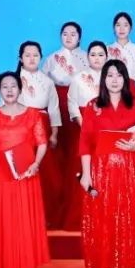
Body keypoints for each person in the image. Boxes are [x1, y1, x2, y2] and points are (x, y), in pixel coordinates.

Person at [79, 59, 135, 268]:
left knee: (131, 217)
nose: (114, 80)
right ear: (103, 79)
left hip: (130, 168)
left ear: (125, 79)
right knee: (103, 217)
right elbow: (85, 141)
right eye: (110, 75)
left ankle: (131, 267)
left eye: (119, 75)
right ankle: (105, 267)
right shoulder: (93, 106)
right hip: (101, 169)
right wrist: (86, 174)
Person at [0, 72, 51, 268]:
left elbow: (42, 143)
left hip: (26, 172)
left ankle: (24, 264)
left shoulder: (33, 115)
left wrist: (36, 163)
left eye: (13, 86)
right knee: (4, 218)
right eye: (5, 86)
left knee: (24, 217)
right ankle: (4, 263)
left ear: (20, 89)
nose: (9, 90)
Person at [42, 21, 89, 226]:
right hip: (57, 102)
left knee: (75, 148)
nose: (69, 37)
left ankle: (75, 194)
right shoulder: (51, 59)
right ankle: (58, 195)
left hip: (79, 103)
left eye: (73, 34)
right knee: (58, 148)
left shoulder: (87, 57)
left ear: (79, 37)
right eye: (65, 34)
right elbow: (44, 86)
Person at [18, 40, 64, 229]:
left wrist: (54, 133)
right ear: (20, 58)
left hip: (42, 127)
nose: (31, 58)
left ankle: (44, 215)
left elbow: (54, 109)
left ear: (41, 57)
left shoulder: (47, 81)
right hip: (19, 127)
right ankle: (22, 215)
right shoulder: (13, 79)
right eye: (27, 55)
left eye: (35, 55)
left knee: (45, 172)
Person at [63, 40, 109, 230]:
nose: (96, 58)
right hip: (83, 128)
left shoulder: (112, 77)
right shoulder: (78, 77)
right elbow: (72, 102)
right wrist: (83, 124)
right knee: (83, 169)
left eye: (100, 55)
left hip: (107, 130)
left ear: (107, 57)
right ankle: (82, 217)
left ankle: (105, 215)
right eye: (93, 55)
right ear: (87, 57)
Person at [108, 11, 135, 96]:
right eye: (118, 25)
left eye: (125, 25)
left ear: (131, 28)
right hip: (111, 92)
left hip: (131, 91)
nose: (121, 29)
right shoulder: (107, 49)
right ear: (114, 28)